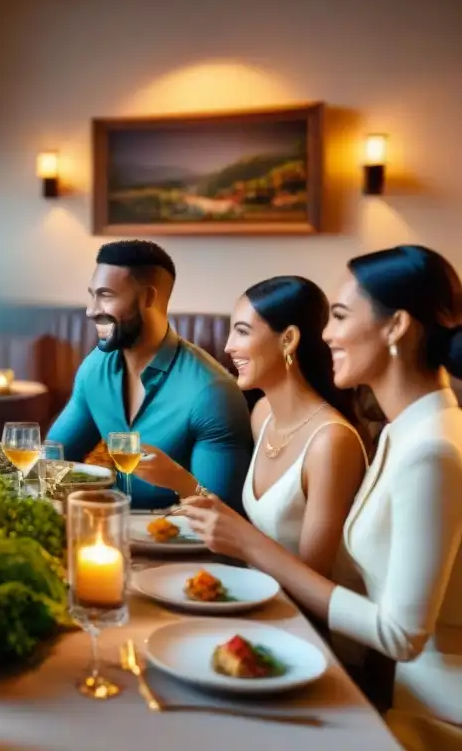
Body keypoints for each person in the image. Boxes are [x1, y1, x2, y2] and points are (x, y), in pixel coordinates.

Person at [182, 246, 462, 749]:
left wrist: (249, 543)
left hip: (432, 716)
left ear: (396, 326)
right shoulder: (410, 430)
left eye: (339, 316)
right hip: (401, 695)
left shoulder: (433, 449)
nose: (327, 333)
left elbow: (402, 635)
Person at [134, 276, 368, 578]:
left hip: (302, 619)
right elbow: (244, 530)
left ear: (288, 340)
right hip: (255, 589)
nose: (229, 347)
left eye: (242, 332)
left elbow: (315, 578)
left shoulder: (332, 442)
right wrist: (180, 481)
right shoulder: (263, 413)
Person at [47, 239, 252, 509]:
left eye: (106, 295)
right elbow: (51, 460)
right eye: (92, 295)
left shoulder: (213, 392)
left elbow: (221, 517)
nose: (92, 310)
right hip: (105, 532)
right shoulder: (95, 368)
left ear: (148, 298)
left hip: (181, 545)